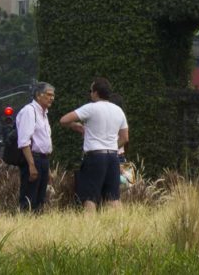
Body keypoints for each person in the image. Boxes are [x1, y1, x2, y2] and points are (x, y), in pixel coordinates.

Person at [59, 77, 129, 212]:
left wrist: (78, 126)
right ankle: (119, 227)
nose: (90, 93)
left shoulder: (90, 108)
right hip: (113, 157)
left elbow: (64, 120)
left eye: (90, 91)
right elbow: (125, 137)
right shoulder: (118, 110)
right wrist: (112, 146)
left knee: (90, 197)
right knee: (113, 198)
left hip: (95, 157)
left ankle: (89, 229)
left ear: (96, 93)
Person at [16, 82, 55, 212]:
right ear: (38, 95)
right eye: (48, 95)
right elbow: (24, 141)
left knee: (40, 199)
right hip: (32, 158)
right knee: (29, 198)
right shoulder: (29, 111)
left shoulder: (44, 114)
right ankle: (25, 227)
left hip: (43, 159)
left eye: (53, 95)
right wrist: (31, 165)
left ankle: (36, 229)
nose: (52, 98)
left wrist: (47, 168)